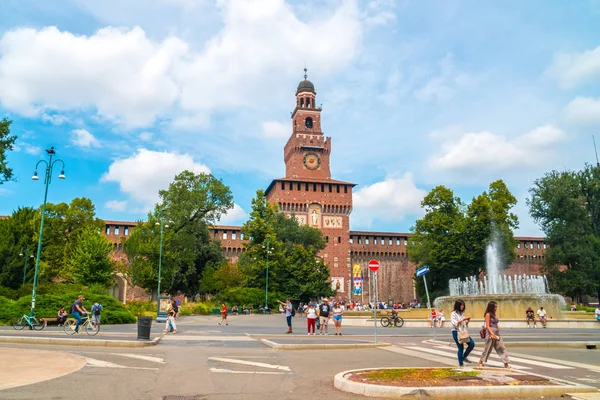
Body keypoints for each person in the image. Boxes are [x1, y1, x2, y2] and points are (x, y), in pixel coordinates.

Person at [478, 301, 510, 368]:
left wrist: (498, 327)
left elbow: (495, 323)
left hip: (497, 333)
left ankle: (506, 363)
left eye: (496, 307)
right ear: (491, 307)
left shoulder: (494, 314)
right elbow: (487, 326)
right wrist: (492, 334)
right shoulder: (488, 314)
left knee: (501, 347)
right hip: (490, 333)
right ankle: (480, 361)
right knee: (488, 349)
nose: (496, 308)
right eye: (495, 307)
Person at [450, 299, 475, 367]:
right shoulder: (453, 314)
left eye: (463, 305)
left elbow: (464, 324)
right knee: (460, 347)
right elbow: (454, 323)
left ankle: (464, 357)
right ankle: (461, 364)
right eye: (461, 305)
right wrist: (463, 319)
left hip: (463, 331)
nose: (463, 306)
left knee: (472, 344)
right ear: (458, 306)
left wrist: (467, 321)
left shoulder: (462, 313)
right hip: (456, 331)